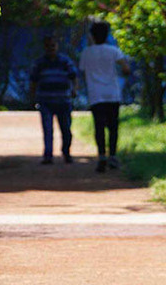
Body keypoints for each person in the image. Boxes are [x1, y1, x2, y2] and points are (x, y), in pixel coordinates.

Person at [78, 21, 130, 172]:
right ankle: (112, 156)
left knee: (99, 126)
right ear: (107, 35)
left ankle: (101, 157)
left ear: (92, 36)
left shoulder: (86, 53)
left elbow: (81, 71)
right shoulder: (113, 51)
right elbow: (126, 68)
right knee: (113, 127)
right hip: (113, 94)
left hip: (96, 94)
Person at [29, 35, 78, 164]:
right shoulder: (39, 63)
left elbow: (74, 76)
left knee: (66, 129)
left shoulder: (65, 61)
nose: (51, 48)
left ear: (57, 46)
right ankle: (48, 154)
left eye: (53, 45)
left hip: (63, 101)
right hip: (45, 101)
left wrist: (74, 90)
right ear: (44, 47)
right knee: (47, 129)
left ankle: (66, 152)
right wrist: (33, 97)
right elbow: (33, 81)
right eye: (48, 46)